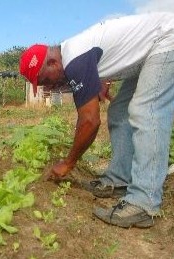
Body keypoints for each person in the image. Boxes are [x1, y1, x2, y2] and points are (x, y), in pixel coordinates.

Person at [19, 13, 174, 228]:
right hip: (147, 52)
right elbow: (112, 52)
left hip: (166, 39)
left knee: (146, 110)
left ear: (53, 62)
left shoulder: (75, 60)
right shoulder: (74, 56)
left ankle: (145, 202)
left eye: (45, 80)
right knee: (119, 111)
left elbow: (90, 121)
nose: (47, 87)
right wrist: (101, 80)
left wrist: (69, 162)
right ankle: (119, 180)